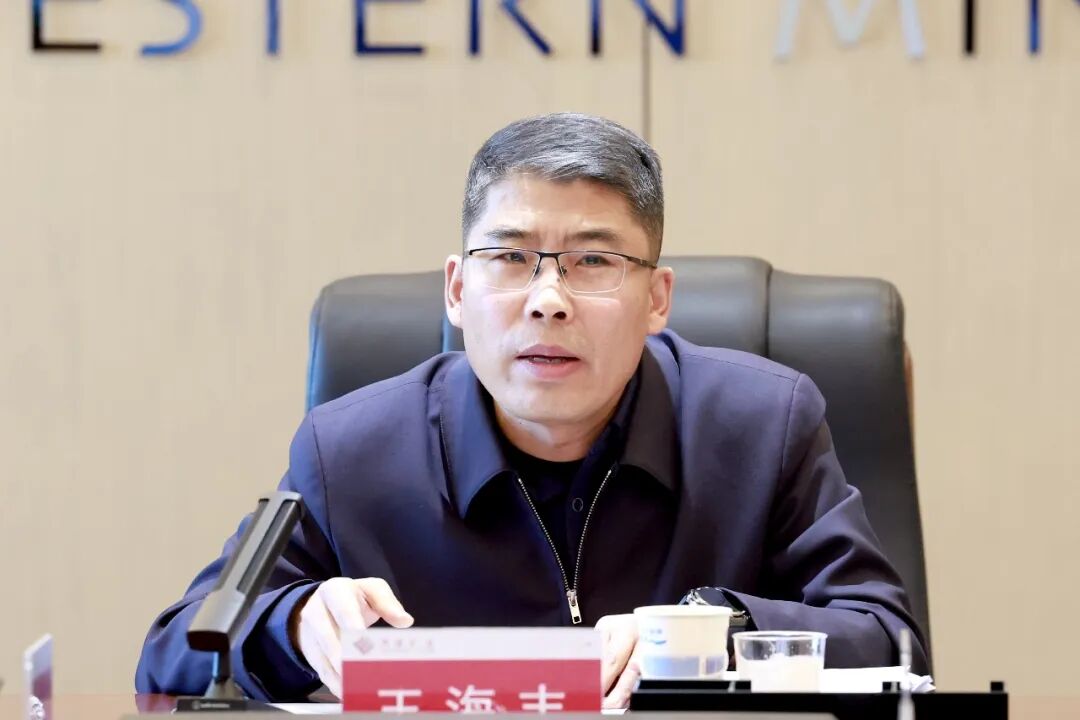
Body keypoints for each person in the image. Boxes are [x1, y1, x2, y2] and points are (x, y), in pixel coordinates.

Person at [135, 112, 928, 707]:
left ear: (657, 299)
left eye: (593, 260)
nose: (548, 299)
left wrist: (710, 630)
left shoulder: (761, 425)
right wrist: (295, 621)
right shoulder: (350, 451)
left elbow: (887, 638)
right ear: (456, 290)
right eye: (512, 257)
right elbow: (173, 653)